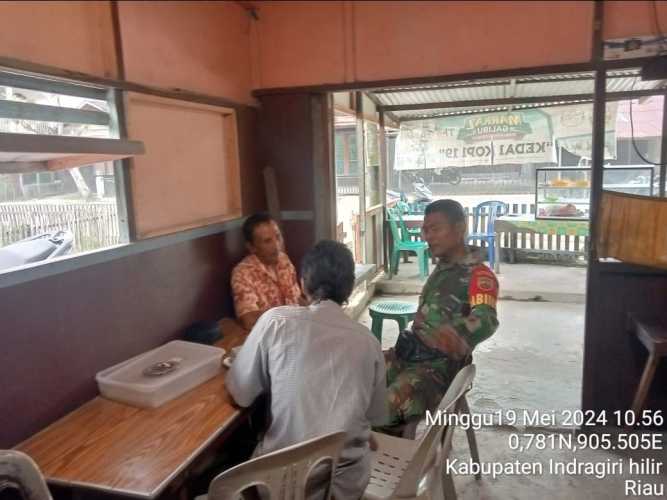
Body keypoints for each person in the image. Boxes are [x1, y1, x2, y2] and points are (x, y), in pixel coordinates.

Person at [226, 240, 387, 500]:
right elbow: (375, 415)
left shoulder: (276, 321)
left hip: (278, 485)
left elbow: (241, 392)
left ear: (302, 283)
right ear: (350, 287)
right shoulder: (368, 342)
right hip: (342, 486)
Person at [381, 199, 499, 434]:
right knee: (352, 380)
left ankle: (391, 461)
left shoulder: (478, 275)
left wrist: (449, 334)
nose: (428, 236)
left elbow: (486, 319)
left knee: (384, 410)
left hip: (436, 370)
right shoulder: (445, 267)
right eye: (426, 229)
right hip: (408, 355)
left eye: (436, 229)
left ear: (459, 228)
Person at [231, 213, 303, 330]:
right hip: (269, 337)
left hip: (294, 329)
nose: (277, 246)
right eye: (267, 241)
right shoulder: (242, 273)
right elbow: (248, 320)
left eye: (278, 237)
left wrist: (314, 310)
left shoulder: (284, 260)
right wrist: (287, 313)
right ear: (251, 247)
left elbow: (296, 299)